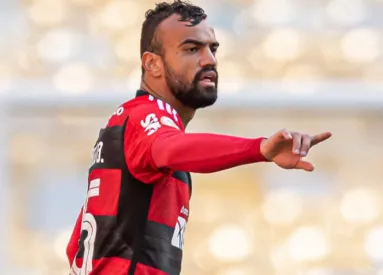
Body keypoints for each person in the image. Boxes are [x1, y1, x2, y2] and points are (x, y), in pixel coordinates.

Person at [66, 1, 332, 275]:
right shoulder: (146, 117)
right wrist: (259, 149)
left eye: (212, 48)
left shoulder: (128, 125)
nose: (210, 60)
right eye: (192, 49)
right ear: (152, 64)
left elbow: (76, 247)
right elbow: (169, 148)